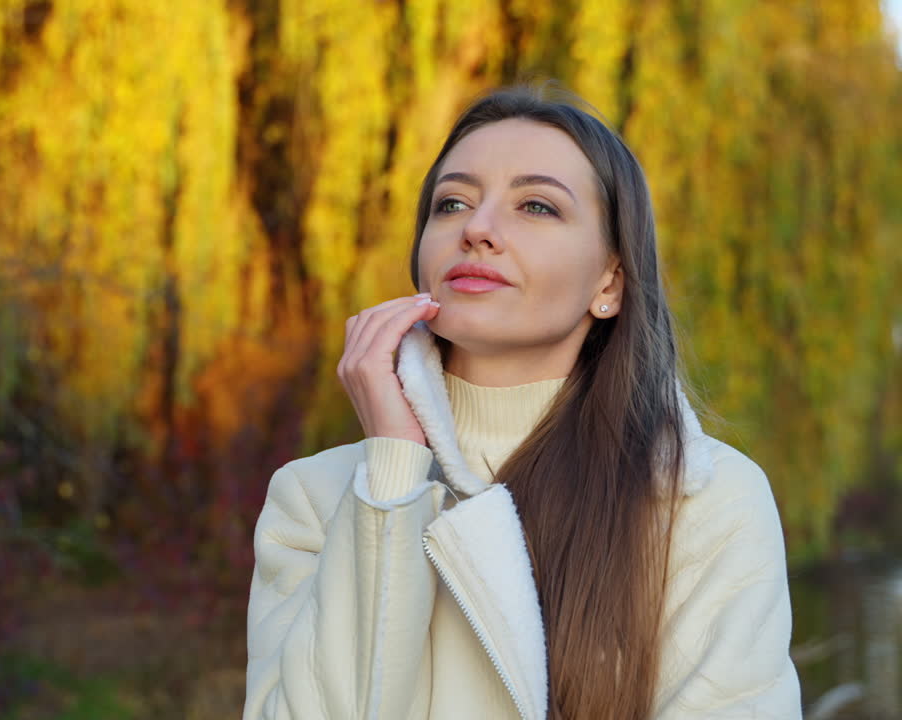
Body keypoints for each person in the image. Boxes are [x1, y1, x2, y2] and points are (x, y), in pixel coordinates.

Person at [242, 86, 801, 720]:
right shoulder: (314, 498)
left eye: (536, 206)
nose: (477, 230)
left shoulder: (700, 500)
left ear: (609, 283)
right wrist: (392, 473)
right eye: (452, 203)